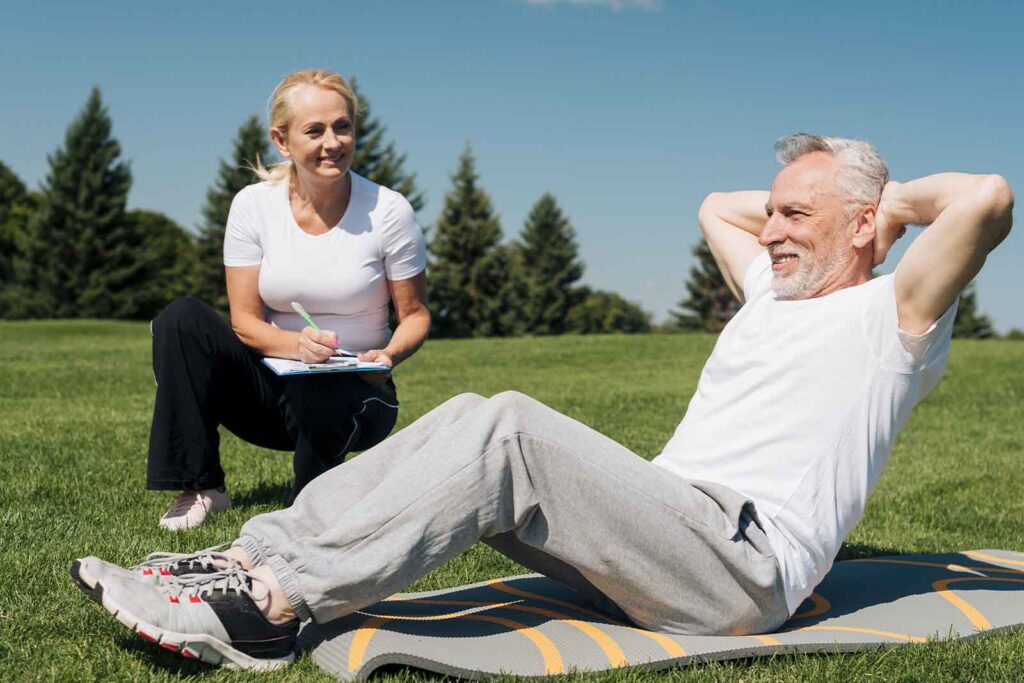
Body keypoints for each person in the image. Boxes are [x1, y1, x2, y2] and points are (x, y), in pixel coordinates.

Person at [72, 135, 1013, 670]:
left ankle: (270, 607)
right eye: (773, 213)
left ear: (862, 227)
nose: (767, 230)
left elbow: (987, 197)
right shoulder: (771, 291)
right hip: (659, 532)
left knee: (508, 425)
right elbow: (713, 207)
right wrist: (806, 197)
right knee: (473, 412)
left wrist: (883, 206)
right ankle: (249, 556)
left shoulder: (895, 318)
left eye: (795, 217)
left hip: (742, 565)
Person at [146, 69, 429, 530]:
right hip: (269, 395)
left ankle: (311, 500)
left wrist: (389, 355)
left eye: (342, 127)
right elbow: (243, 321)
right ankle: (201, 486)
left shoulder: (389, 211)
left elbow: (415, 315)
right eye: (314, 131)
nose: (332, 142)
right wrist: (297, 347)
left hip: (359, 396)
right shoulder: (254, 206)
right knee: (181, 320)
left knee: (322, 386)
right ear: (282, 140)